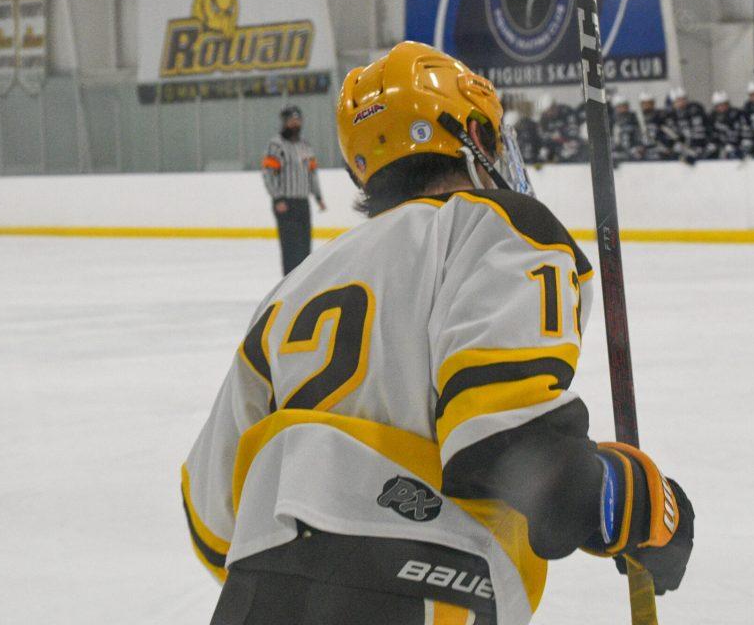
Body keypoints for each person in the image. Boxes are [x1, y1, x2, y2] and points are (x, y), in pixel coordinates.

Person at [184, 41, 694, 625]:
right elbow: (504, 441)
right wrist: (628, 500)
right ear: (475, 136)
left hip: (255, 600)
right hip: (422, 590)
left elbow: (212, 521)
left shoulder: (288, 292)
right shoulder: (491, 223)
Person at [261, 105, 326, 275]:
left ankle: (303, 287)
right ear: (284, 122)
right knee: (291, 250)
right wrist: (277, 199)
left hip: (302, 203)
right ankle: (289, 286)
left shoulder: (305, 146)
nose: (295, 124)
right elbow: (268, 174)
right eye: (292, 120)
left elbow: (312, 173)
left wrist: (318, 196)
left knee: (305, 249)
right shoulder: (277, 145)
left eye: (298, 120)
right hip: (286, 204)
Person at [668, 87, 714, 164]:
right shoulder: (673, 115)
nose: (681, 102)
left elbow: (700, 132)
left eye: (682, 99)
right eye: (678, 100)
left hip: (702, 144)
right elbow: (677, 133)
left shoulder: (694, 110)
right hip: (687, 145)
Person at [536, 94, 584, 163]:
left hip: (569, 146)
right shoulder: (544, 119)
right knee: (543, 154)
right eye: (546, 112)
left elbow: (574, 131)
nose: (549, 113)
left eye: (550, 110)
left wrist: (561, 134)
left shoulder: (567, 111)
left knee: (571, 153)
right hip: (554, 147)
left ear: (554, 106)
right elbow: (543, 137)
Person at [709, 91, 752, 159]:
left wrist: (742, 148)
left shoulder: (737, 114)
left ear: (728, 103)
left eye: (723, 104)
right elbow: (713, 135)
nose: (721, 107)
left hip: (738, 147)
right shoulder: (712, 117)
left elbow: (745, 132)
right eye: (718, 105)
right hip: (722, 149)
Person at [637, 91, 675, 160]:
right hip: (645, 151)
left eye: (649, 103)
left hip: (660, 149)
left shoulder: (661, 116)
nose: (647, 106)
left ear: (653, 103)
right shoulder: (638, 118)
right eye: (644, 104)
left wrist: (667, 146)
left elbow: (669, 133)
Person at [611, 95, 645, 162]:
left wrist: (638, 146)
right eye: (620, 106)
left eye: (625, 106)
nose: (623, 108)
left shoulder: (634, 118)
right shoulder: (611, 121)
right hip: (618, 150)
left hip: (633, 149)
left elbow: (640, 134)